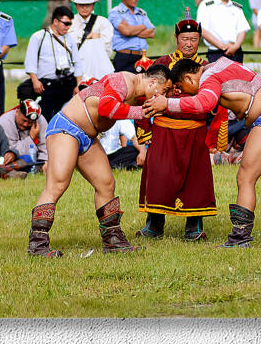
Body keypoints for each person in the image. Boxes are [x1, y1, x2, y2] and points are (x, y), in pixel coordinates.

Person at [144, 57, 261, 248]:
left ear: (189, 78)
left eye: (180, 88)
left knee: (245, 178)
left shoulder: (208, 78)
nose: (180, 93)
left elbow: (204, 103)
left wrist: (167, 104)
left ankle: (240, 238)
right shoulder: (220, 64)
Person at [27, 66, 173, 258]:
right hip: (67, 128)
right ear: (153, 82)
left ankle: (113, 241)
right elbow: (106, 107)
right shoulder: (123, 81)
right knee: (57, 184)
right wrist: (141, 112)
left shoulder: (138, 92)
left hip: (87, 136)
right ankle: (37, 244)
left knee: (106, 184)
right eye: (164, 91)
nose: (163, 96)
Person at [135, 14, 222, 241]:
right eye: (185, 38)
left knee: (195, 179)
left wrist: (216, 139)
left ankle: (193, 227)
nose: (189, 43)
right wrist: (144, 137)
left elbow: (217, 104)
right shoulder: (162, 64)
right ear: (176, 38)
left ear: (199, 40)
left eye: (194, 39)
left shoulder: (206, 69)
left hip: (196, 131)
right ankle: (154, 225)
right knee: (160, 176)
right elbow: (143, 97)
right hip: (164, 130)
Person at [23, 6, 83, 122]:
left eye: (70, 24)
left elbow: (77, 62)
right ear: (55, 21)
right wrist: (35, 80)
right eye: (65, 23)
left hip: (67, 83)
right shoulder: (38, 37)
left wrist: (78, 84)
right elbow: (30, 61)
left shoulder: (69, 38)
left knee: (68, 117)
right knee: (46, 118)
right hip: (47, 85)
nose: (68, 27)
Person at [196, 0, 250, 64]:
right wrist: (223, 47)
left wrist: (235, 46)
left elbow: (242, 30)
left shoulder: (236, 7)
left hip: (236, 52)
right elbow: (202, 30)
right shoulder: (206, 5)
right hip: (216, 52)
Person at [69, 0, 114, 80]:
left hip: (98, 66)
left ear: (93, 6)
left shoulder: (103, 22)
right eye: (81, 5)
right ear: (76, 6)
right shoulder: (69, 22)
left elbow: (108, 47)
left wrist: (97, 39)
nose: (84, 8)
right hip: (75, 67)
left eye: (88, 5)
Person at [108, 0, 155, 73]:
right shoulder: (115, 13)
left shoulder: (141, 12)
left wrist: (131, 29)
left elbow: (151, 33)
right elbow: (126, 31)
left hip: (142, 57)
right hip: (124, 57)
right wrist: (143, 26)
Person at [0, 98, 49, 172]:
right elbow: (12, 151)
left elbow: (46, 146)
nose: (26, 124)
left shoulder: (40, 120)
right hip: (12, 160)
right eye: (24, 120)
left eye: (30, 122)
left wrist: (44, 162)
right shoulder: (5, 121)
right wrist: (31, 138)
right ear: (17, 112)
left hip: (35, 159)